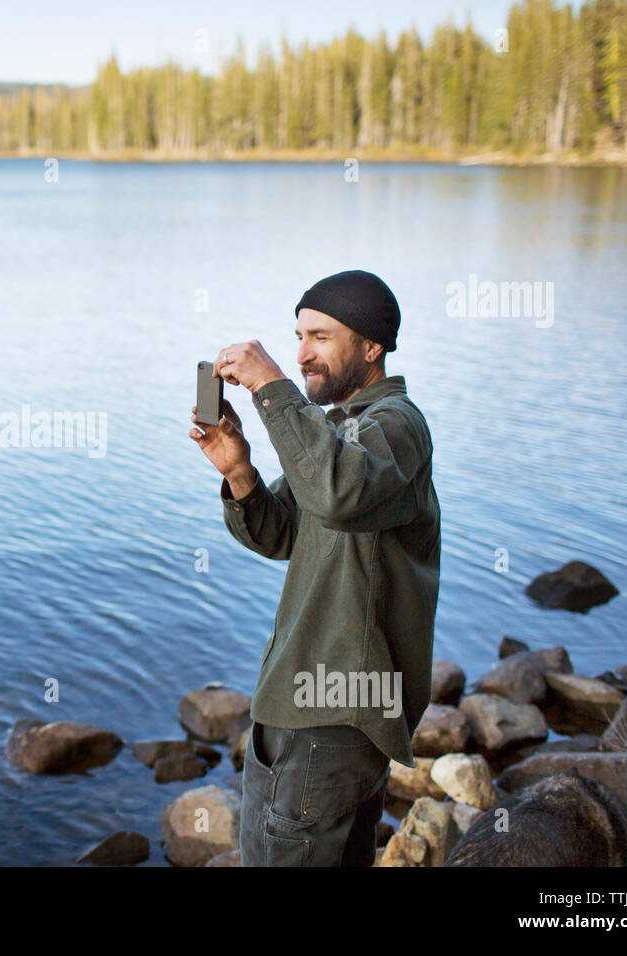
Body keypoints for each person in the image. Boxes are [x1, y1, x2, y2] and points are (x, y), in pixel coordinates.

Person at [189, 269, 440, 866]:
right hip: (312, 704)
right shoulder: (338, 429)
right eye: (298, 337)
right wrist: (239, 472)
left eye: (321, 337)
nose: (302, 354)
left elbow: (337, 493)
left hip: (330, 712)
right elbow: (284, 532)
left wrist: (273, 387)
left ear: (372, 346)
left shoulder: (396, 425)